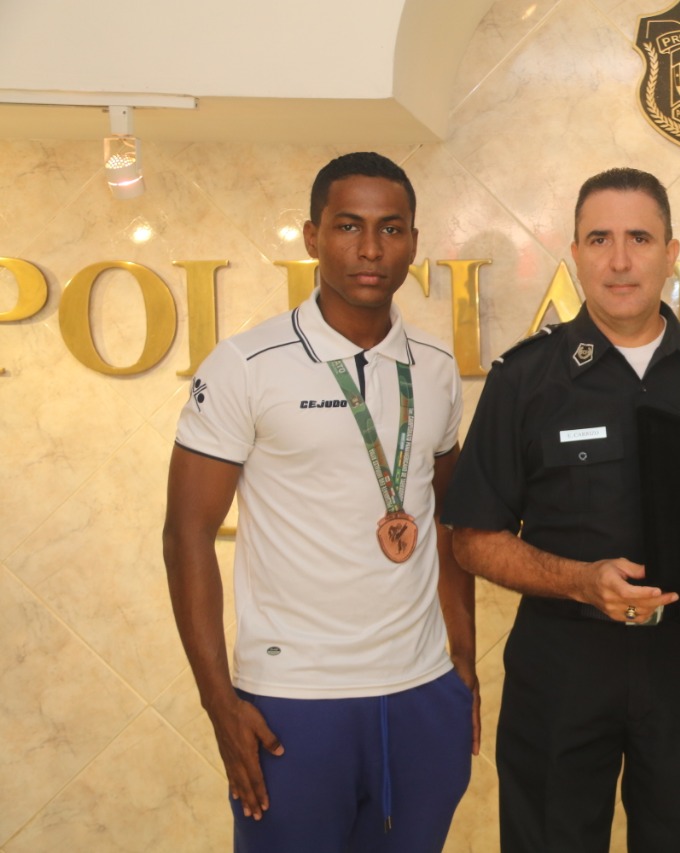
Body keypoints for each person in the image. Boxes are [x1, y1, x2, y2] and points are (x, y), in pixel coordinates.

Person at [441, 167, 680, 852]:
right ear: (575, 253)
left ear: (671, 252)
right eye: (599, 239)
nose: (620, 260)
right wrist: (579, 581)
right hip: (563, 661)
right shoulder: (525, 379)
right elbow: (472, 539)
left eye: (639, 238)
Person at [162, 152, 479, 853]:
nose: (370, 249)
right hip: (294, 700)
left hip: (422, 693)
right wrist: (219, 701)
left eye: (391, 228)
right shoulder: (246, 365)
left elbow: (448, 520)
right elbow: (186, 535)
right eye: (347, 226)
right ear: (312, 237)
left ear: (414, 242)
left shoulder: (434, 367)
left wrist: (463, 657)